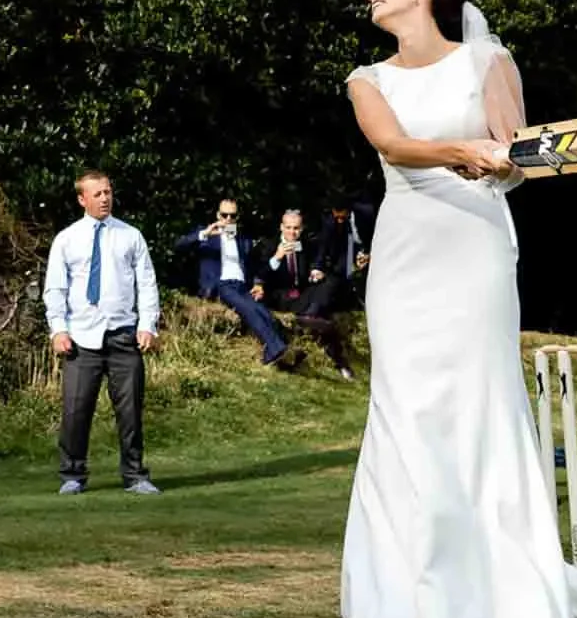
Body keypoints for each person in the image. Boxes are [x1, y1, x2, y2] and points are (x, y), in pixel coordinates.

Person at [341, 0, 577, 618]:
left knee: (477, 403)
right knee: (404, 407)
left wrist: (502, 162)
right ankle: (404, 605)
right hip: (405, 251)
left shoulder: (488, 59)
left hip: (474, 245)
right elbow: (392, 144)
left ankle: (489, 597)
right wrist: (456, 148)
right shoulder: (368, 79)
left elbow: (519, 150)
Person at [41, 168, 161, 496]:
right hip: (81, 339)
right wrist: (58, 330)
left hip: (123, 335)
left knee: (130, 411)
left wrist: (147, 325)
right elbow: (55, 288)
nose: (105, 198)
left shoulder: (130, 236)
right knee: (76, 410)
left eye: (108, 192)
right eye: (98, 194)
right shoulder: (66, 239)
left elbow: (146, 283)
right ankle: (73, 475)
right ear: (82, 199)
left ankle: (135, 476)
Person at [173, 198, 285, 362]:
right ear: (218, 215)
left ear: (237, 217)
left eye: (232, 216)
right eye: (224, 215)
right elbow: (179, 245)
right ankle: (275, 349)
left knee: (263, 312)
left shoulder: (244, 241)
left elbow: (254, 267)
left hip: (241, 286)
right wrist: (205, 233)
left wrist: (258, 284)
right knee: (248, 309)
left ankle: (277, 349)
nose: (227, 220)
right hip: (221, 285)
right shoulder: (208, 236)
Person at [261, 209, 354, 379]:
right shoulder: (270, 244)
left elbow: (312, 268)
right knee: (327, 323)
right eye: (288, 228)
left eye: (296, 228)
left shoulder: (306, 245)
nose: (292, 232)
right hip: (282, 298)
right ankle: (340, 361)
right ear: (281, 227)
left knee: (330, 281)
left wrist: (315, 273)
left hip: (302, 296)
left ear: (301, 229)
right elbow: (261, 275)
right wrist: (277, 258)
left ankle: (310, 315)